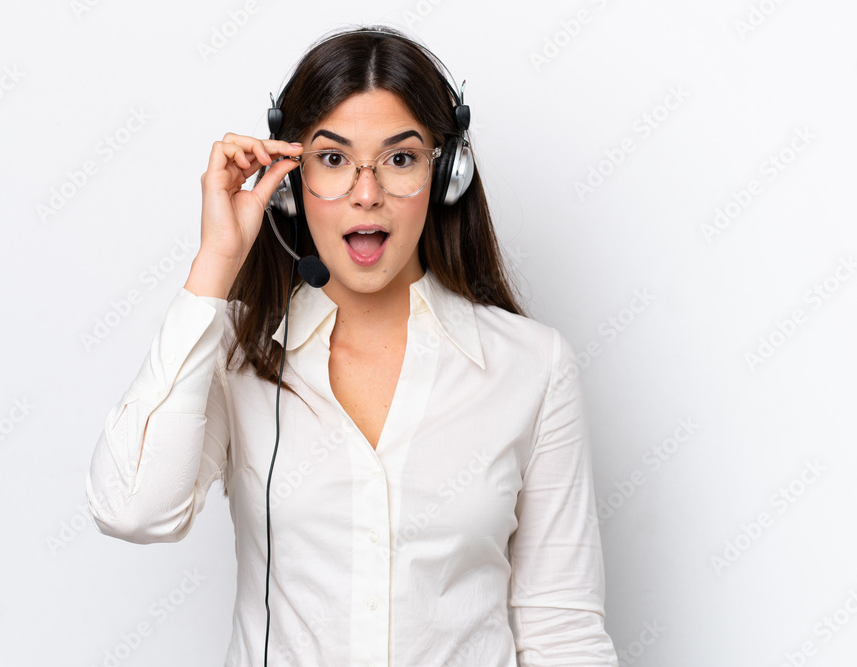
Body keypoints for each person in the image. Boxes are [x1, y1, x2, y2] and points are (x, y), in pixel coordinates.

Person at [86, 24, 620, 666]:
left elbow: (562, 633)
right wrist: (217, 262)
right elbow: (133, 509)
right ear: (289, 180)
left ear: (446, 172)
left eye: (400, 159)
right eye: (333, 159)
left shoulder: (532, 365)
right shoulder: (234, 352)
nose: (367, 195)